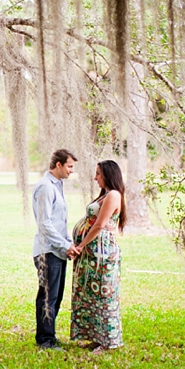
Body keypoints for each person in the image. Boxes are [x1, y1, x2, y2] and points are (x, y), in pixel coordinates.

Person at [70, 160, 126, 354]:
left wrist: (80, 245)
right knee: (91, 294)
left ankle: (109, 341)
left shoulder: (113, 195)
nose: (95, 178)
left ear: (109, 174)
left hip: (102, 253)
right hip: (92, 254)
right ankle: (95, 337)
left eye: (98, 174)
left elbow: (100, 225)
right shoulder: (105, 195)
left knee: (104, 295)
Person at [32, 149, 78, 351]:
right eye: (69, 166)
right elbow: (45, 224)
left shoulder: (57, 187)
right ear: (58, 165)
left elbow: (60, 222)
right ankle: (44, 340)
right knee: (47, 296)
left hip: (57, 250)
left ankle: (49, 335)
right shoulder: (45, 187)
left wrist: (68, 244)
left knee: (56, 296)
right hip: (47, 250)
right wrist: (66, 245)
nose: (71, 171)